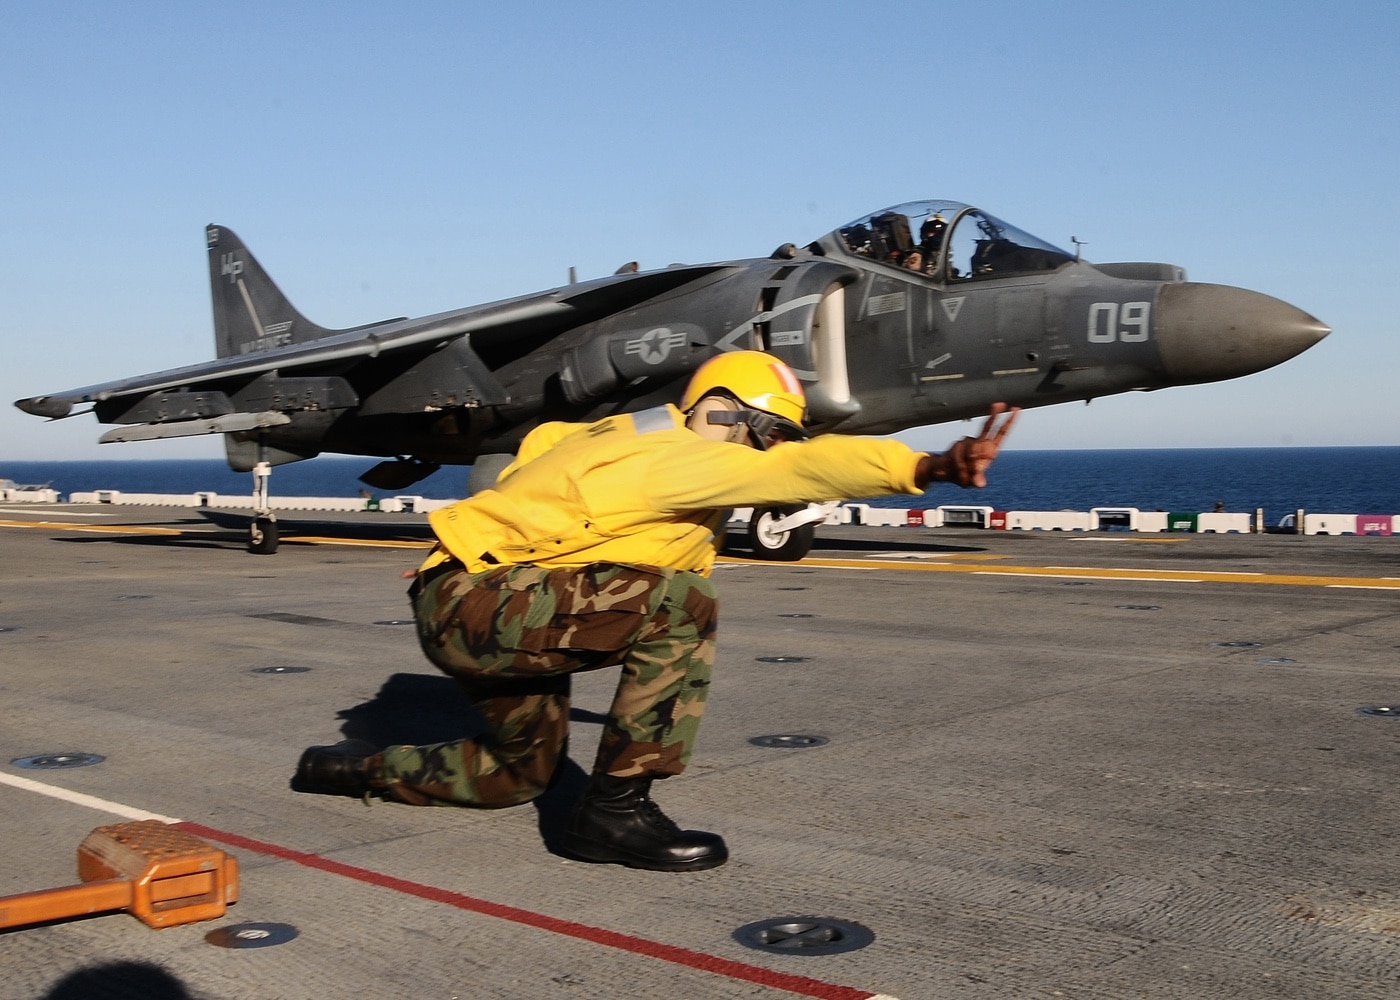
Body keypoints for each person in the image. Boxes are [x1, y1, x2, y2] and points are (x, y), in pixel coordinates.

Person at [295, 350, 1019, 872]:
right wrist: (926, 467)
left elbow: (536, 451)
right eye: (765, 433)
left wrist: (478, 554)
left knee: (520, 774)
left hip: (479, 597)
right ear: (724, 414)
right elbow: (797, 469)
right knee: (680, 606)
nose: (765, 454)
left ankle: (350, 771)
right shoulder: (683, 455)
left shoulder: (622, 433)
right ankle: (613, 814)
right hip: (479, 603)